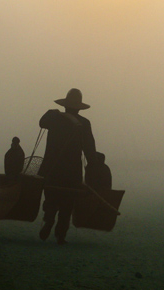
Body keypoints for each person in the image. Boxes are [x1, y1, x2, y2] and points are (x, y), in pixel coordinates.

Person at [37, 88, 98, 244]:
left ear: (65, 105)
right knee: (67, 204)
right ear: (79, 107)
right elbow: (90, 149)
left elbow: (41, 122)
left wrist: (52, 112)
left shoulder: (55, 119)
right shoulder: (84, 124)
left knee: (51, 199)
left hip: (52, 168)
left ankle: (48, 220)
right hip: (72, 171)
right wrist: (95, 167)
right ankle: (61, 235)